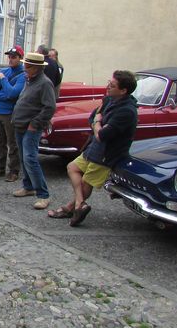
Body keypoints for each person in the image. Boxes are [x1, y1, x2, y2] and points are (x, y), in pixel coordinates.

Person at [47, 70, 138, 226]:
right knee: (72, 167)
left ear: (123, 90)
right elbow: (92, 117)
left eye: (112, 85)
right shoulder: (108, 100)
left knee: (86, 182)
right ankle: (80, 204)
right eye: (109, 82)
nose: (108, 86)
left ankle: (70, 208)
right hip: (94, 147)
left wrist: (97, 123)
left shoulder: (127, 111)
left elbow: (102, 134)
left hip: (108, 154)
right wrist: (97, 123)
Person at [11, 52, 57, 210]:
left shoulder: (45, 83)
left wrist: (35, 123)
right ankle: (28, 186)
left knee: (30, 158)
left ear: (37, 68)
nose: (25, 68)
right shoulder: (29, 80)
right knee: (24, 157)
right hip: (20, 124)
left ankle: (44, 195)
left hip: (31, 127)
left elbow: (49, 107)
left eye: (28, 66)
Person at [0, 46, 26, 181]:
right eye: (9, 57)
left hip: (11, 113)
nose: (10, 59)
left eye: (14, 57)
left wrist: (3, 80)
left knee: (13, 143)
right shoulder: (4, 71)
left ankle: (14, 170)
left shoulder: (23, 75)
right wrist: (5, 95)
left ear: (20, 58)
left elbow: (13, 93)